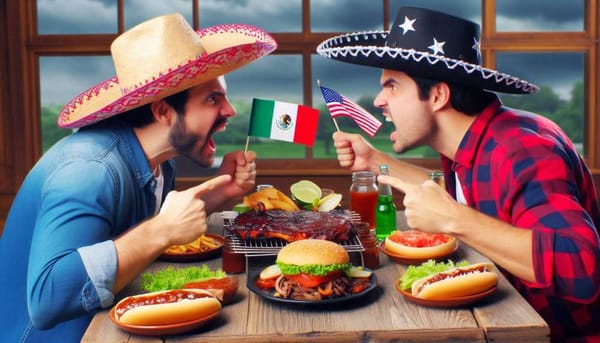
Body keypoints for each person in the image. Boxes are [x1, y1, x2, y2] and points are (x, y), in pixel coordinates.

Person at [317, 6, 599, 342]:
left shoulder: (520, 150)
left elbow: (583, 270)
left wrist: (454, 220)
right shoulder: (475, 145)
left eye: (392, 86)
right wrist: (374, 161)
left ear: (437, 95)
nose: (379, 100)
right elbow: (454, 204)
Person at [0, 13, 276, 342]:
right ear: (163, 111)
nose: (230, 110)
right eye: (212, 99)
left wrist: (223, 192)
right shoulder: (89, 171)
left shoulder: (161, 159)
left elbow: (146, 231)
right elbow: (46, 302)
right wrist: (160, 230)